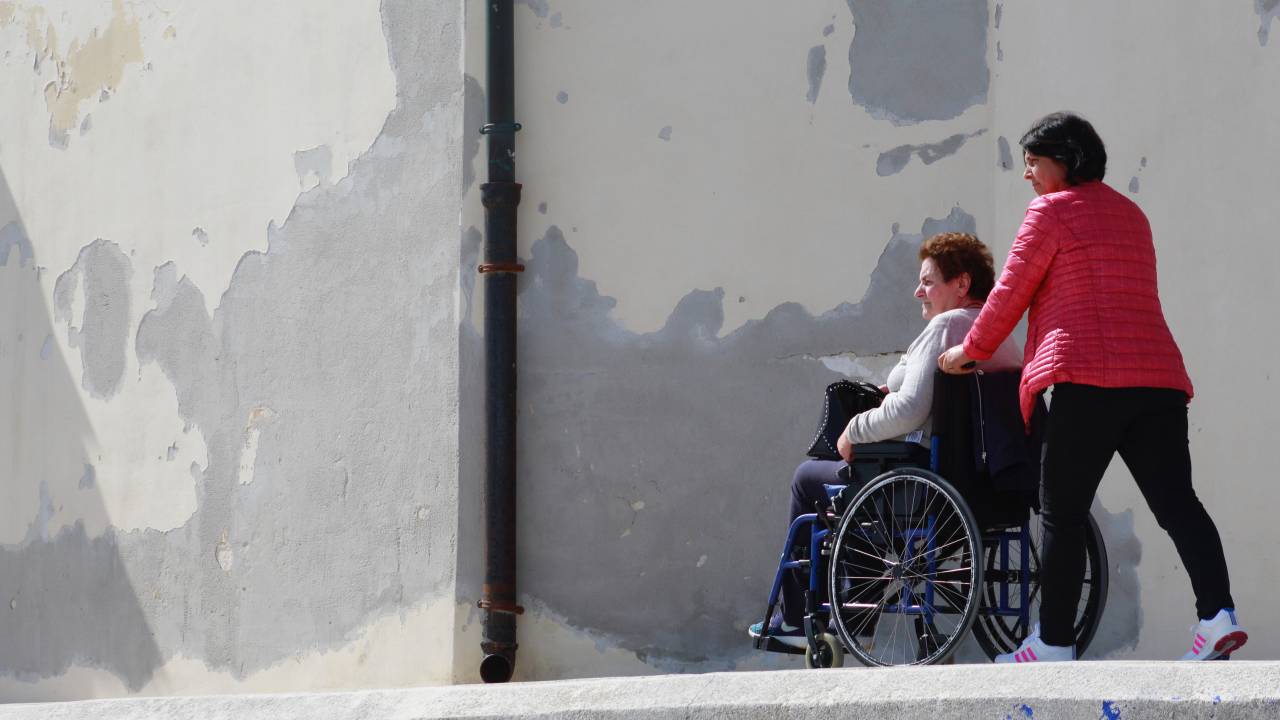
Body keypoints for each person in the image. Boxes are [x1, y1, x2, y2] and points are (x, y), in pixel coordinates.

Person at [938, 112, 1247, 663]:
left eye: (1034, 162)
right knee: (1178, 503)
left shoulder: (1050, 212)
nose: (1027, 174)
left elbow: (1009, 293)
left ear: (1067, 160)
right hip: (1157, 382)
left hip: (1086, 380)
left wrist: (968, 350)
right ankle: (1217, 615)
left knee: (1061, 511)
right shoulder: (1132, 215)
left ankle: (1054, 642)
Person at [750, 232, 1021, 647]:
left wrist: (854, 430)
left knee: (810, 478)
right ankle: (854, 620)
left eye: (928, 282)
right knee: (868, 482)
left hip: (925, 479)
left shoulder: (946, 326)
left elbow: (910, 410)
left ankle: (798, 621)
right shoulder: (998, 335)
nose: (918, 292)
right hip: (982, 480)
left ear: (962, 284)